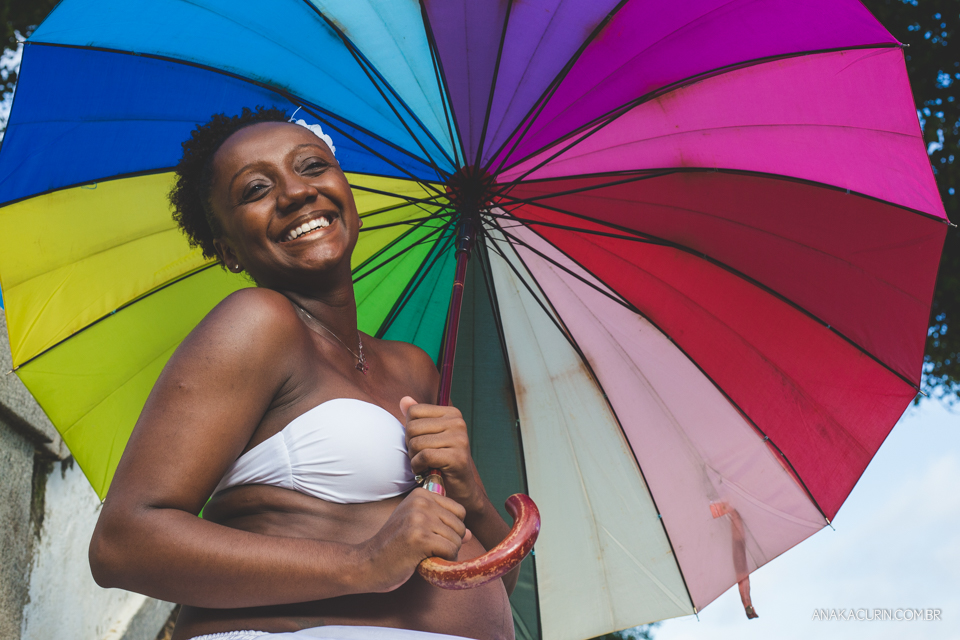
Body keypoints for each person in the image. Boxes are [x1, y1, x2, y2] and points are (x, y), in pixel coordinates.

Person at [88, 107, 519, 640]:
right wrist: (362, 563)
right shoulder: (259, 323)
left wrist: (470, 491)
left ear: (347, 192)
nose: (295, 193)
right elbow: (122, 545)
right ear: (227, 250)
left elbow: (489, 578)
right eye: (255, 189)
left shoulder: (413, 366)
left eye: (312, 166)